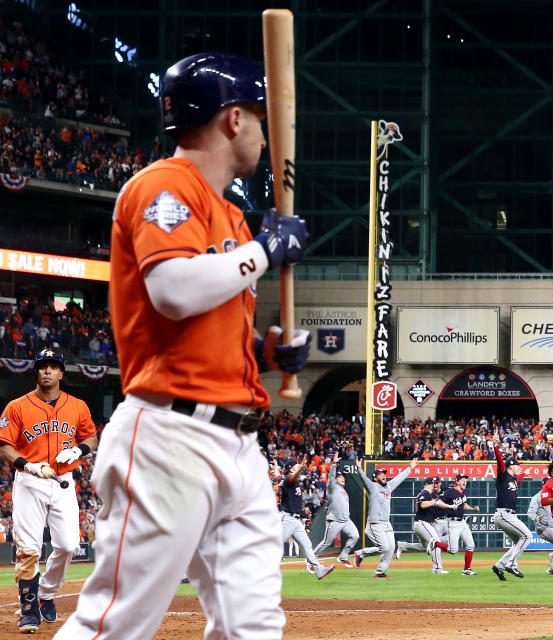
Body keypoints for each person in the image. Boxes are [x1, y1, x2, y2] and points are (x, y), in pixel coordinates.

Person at [53, 53, 311, 640]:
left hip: (239, 442)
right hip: (171, 436)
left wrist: (267, 355)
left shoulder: (232, 218)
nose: (268, 135)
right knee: (115, 625)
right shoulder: (165, 184)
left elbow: (208, 325)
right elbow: (171, 290)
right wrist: (266, 253)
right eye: (261, 119)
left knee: (252, 626)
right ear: (234, 120)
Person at [0, 349, 98, 633]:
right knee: (29, 548)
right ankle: (29, 609)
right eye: (43, 366)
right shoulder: (17, 406)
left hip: (64, 482)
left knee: (69, 545)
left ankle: (45, 593)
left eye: (53, 367)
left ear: (61, 373)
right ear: (37, 371)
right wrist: (28, 466)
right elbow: (5, 445)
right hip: (30, 483)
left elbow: (91, 436)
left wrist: (79, 449)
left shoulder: (77, 406)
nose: (47, 371)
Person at [353, 457, 417, 577]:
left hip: (386, 524)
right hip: (374, 524)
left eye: (384, 474)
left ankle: (380, 572)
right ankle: (361, 553)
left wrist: (409, 468)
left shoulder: (388, 486)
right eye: (380, 474)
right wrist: (359, 469)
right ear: (375, 478)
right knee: (384, 547)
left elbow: (399, 478)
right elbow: (363, 479)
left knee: (391, 547)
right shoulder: (372, 486)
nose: (384, 475)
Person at [277, 457, 334, 579]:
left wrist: (277, 467)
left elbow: (278, 476)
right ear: (292, 469)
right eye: (296, 466)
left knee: (307, 544)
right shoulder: (289, 480)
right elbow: (292, 476)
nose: (299, 467)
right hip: (288, 519)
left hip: (295, 521)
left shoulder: (288, 480)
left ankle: (319, 569)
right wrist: (301, 467)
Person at [490, 431, 531, 580]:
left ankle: (499, 566)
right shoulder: (503, 475)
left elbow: (519, 477)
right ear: (510, 467)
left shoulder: (513, 479)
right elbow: (499, 461)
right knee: (527, 536)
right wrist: (496, 445)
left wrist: (524, 474)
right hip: (503, 514)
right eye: (517, 465)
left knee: (518, 542)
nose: (519, 467)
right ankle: (511, 564)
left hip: (507, 515)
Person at [312, 451, 360, 568]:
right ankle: (311, 559)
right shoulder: (332, 488)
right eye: (340, 476)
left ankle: (343, 556)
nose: (343, 478)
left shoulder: (343, 490)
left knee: (355, 536)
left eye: (343, 476)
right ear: (335, 479)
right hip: (335, 521)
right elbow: (331, 477)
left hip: (345, 520)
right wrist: (334, 464)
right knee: (326, 543)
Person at [439, 473, 481, 576]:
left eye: (466, 479)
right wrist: (449, 506)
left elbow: (464, 505)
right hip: (452, 522)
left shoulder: (463, 493)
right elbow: (438, 501)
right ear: (456, 481)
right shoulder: (450, 492)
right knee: (453, 550)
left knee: (471, 545)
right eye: (462, 479)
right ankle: (435, 543)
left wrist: (473, 509)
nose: (465, 481)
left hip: (462, 522)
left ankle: (466, 570)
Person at [413, 476, 452, 574]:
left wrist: (432, 517)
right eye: (432, 484)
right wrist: (433, 502)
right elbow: (423, 505)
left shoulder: (427, 494)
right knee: (436, 542)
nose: (433, 485)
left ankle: (403, 546)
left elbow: (425, 509)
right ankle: (437, 569)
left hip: (423, 522)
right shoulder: (425, 493)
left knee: (428, 544)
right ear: (428, 485)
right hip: (422, 523)